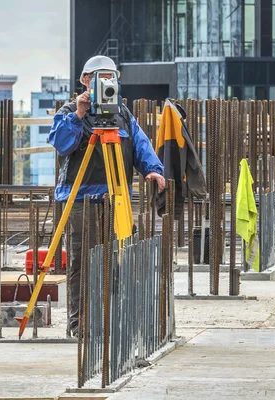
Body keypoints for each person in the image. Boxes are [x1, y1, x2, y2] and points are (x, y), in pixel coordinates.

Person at [49, 55, 166, 336]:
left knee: (119, 258)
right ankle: (80, 324)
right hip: (80, 200)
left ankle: (114, 319)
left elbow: (140, 143)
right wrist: (79, 115)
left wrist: (153, 169)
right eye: (99, 78)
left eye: (110, 77)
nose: (105, 83)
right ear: (86, 81)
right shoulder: (69, 111)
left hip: (116, 198)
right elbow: (61, 143)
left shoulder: (123, 114)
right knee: (81, 262)